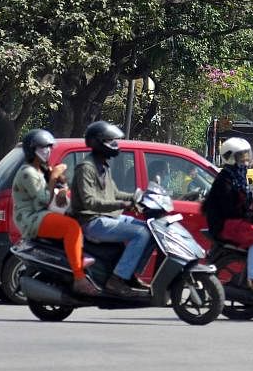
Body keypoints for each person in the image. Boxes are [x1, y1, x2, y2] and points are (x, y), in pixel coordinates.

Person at [11, 129, 99, 297]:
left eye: (49, 147)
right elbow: (42, 200)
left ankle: (77, 259)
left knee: (78, 220)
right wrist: (53, 178)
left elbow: (59, 187)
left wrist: (61, 186)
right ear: (32, 150)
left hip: (42, 214)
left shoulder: (41, 169)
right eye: (43, 147)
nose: (47, 151)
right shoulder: (27, 173)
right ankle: (79, 278)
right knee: (71, 227)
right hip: (31, 218)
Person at [70, 121, 152, 299]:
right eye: (110, 141)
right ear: (97, 143)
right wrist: (122, 205)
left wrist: (136, 197)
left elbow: (114, 193)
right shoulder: (86, 168)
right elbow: (89, 201)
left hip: (107, 217)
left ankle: (129, 276)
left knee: (150, 229)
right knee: (140, 233)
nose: (115, 145)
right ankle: (117, 280)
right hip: (91, 221)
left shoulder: (103, 165)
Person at [203, 137, 253, 290]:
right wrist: (250, 215)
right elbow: (231, 209)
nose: (246, 160)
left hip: (233, 221)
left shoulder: (238, 177)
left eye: (247, 156)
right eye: (242, 156)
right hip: (225, 224)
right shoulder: (225, 180)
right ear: (231, 157)